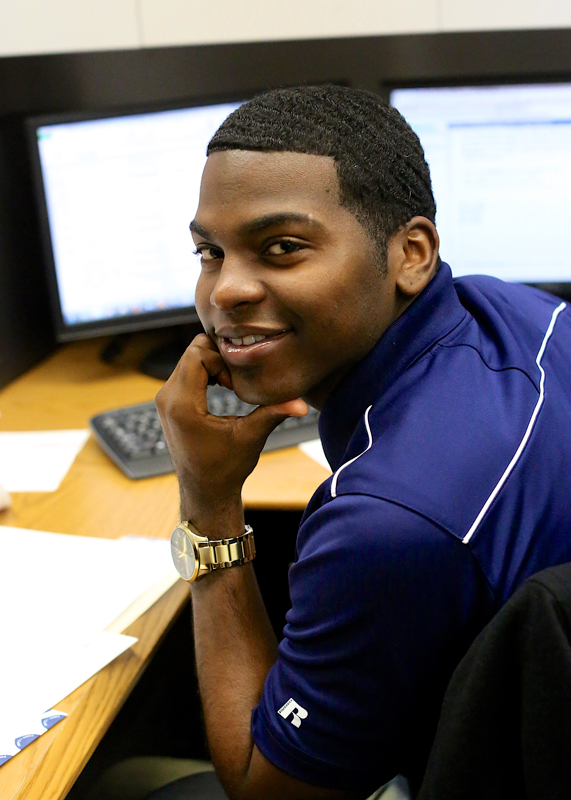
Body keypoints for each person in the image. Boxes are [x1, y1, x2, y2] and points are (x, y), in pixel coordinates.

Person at [153, 84, 571, 799]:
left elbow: (266, 792)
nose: (225, 291)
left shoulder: (388, 524)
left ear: (411, 253)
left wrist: (209, 503)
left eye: (282, 248)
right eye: (209, 252)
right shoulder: (517, 311)